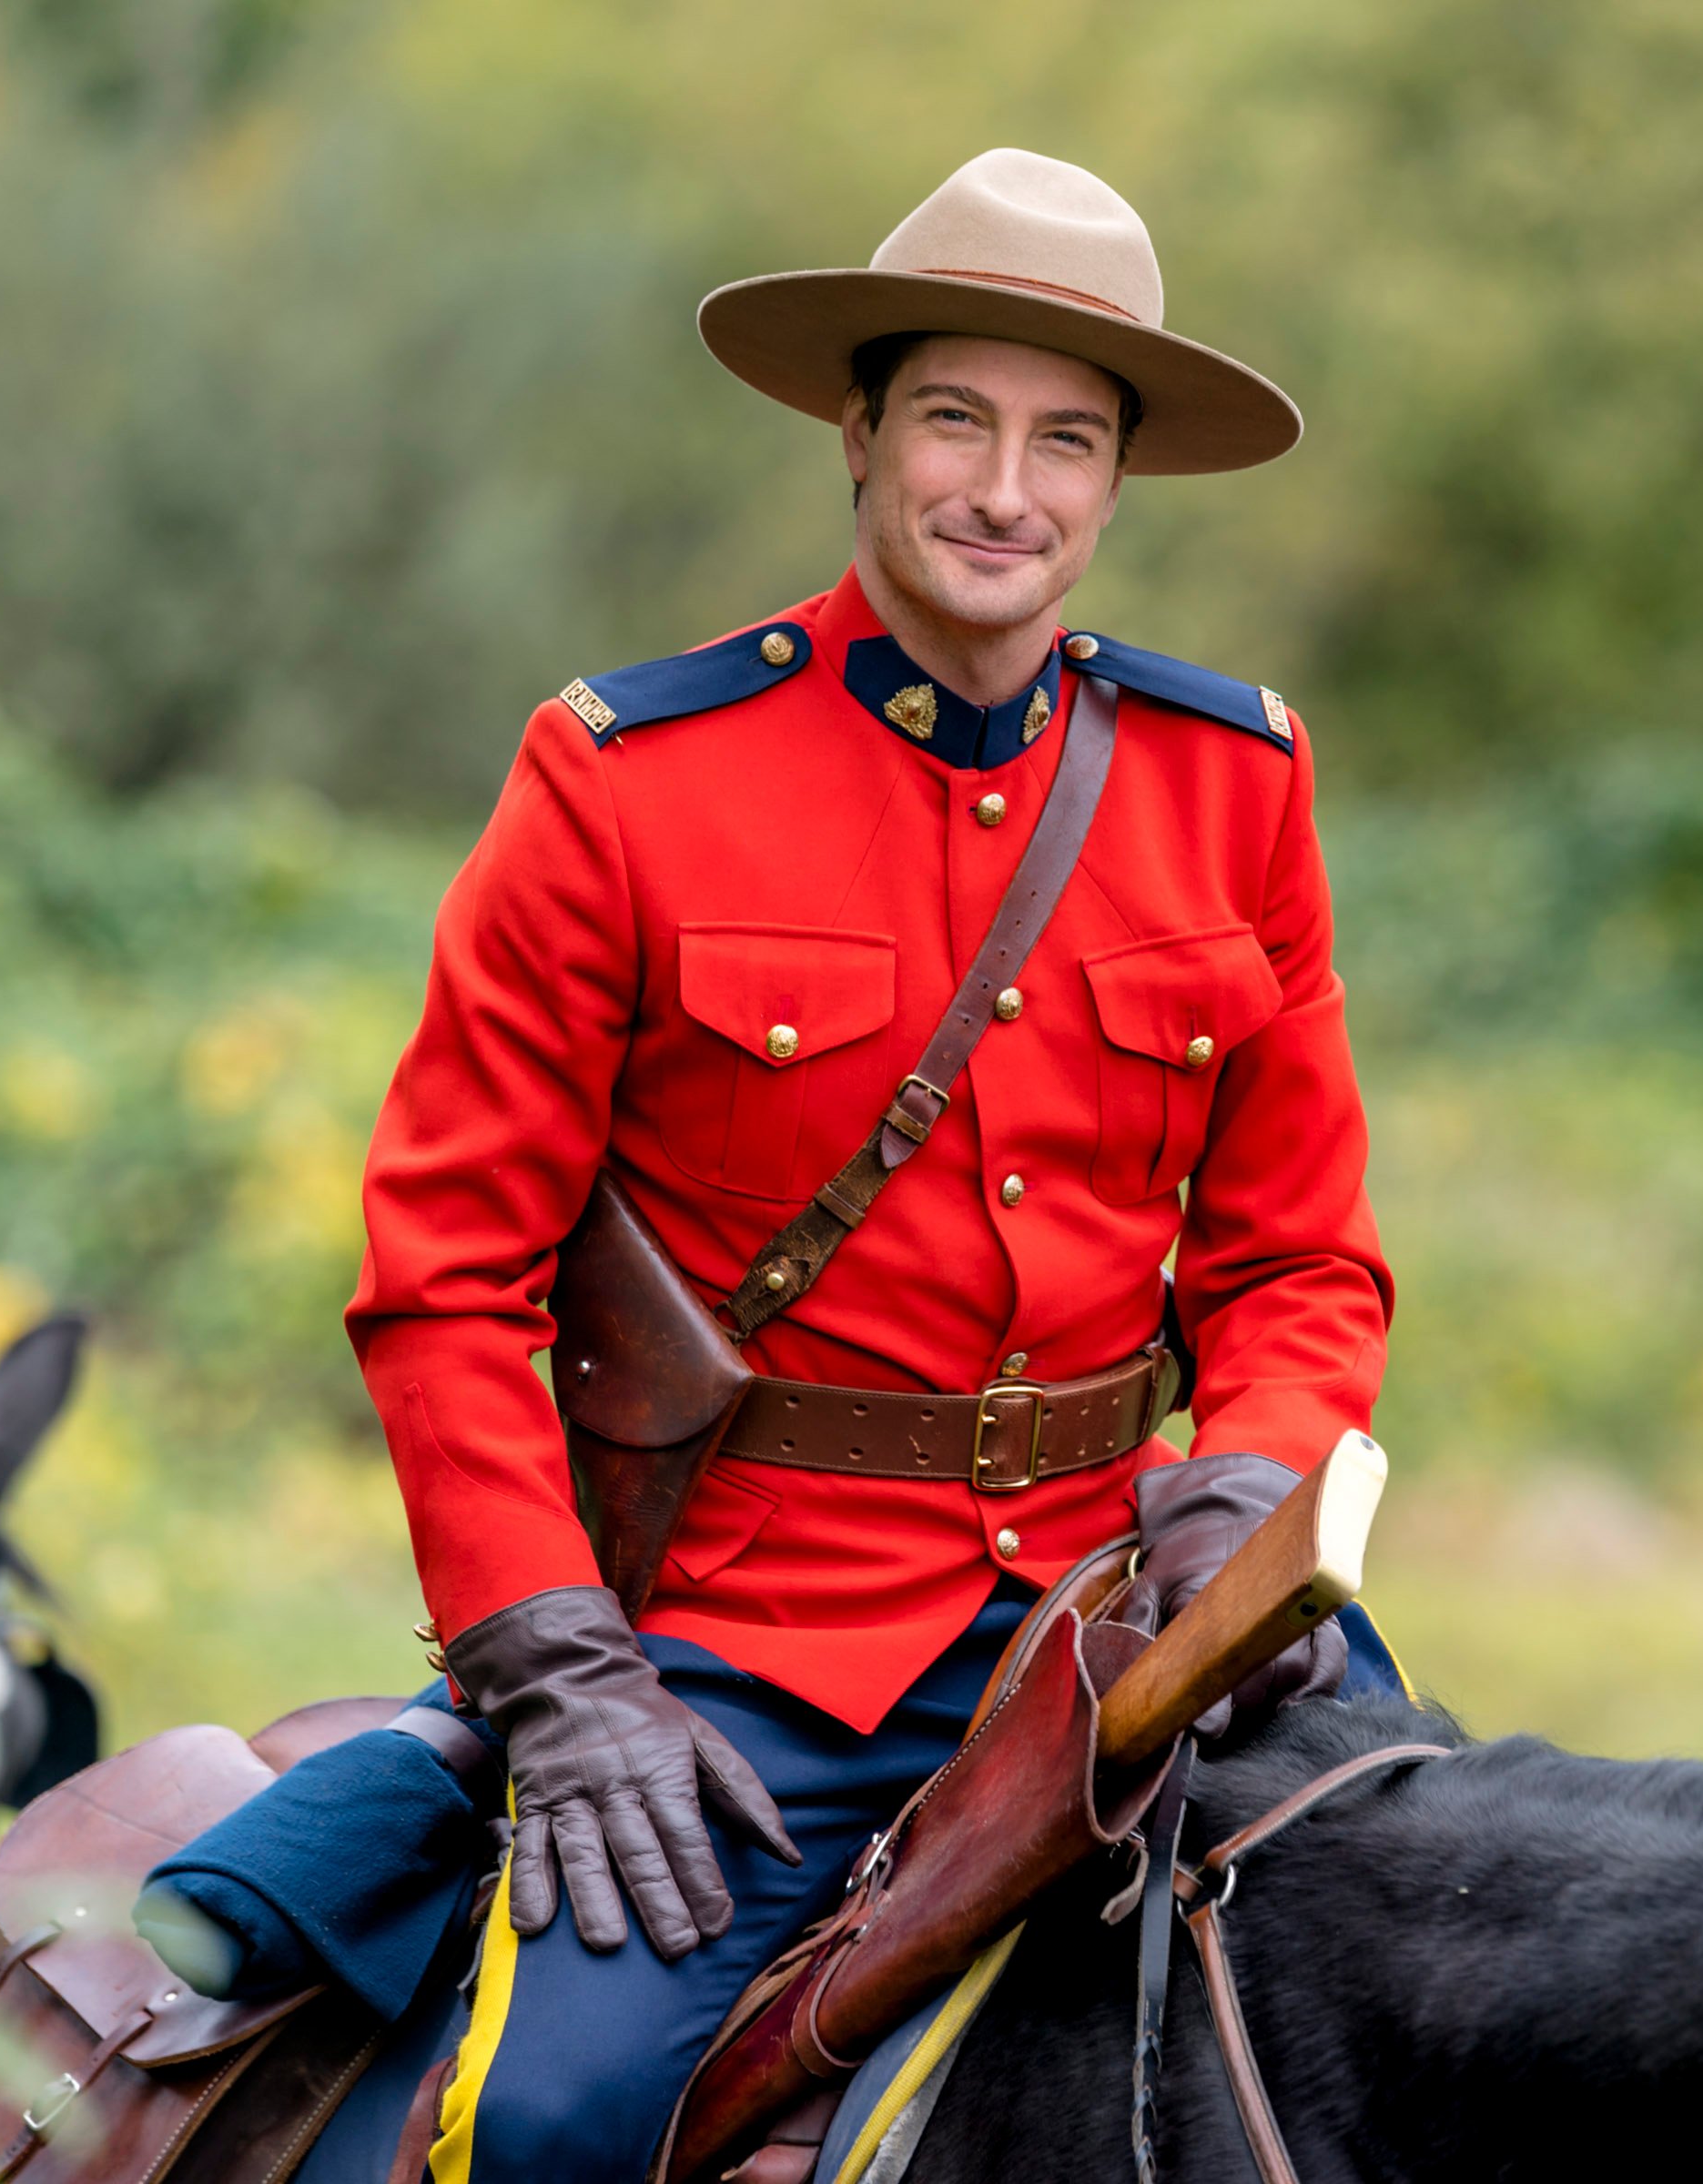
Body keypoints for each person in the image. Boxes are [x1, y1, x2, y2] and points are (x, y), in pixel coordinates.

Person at [343, 147, 1395, 2174]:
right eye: (958, 420)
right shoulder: (629, 781)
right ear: (859, 432)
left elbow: (1295, 1265)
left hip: (1133, 1629)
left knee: (1474, 1993)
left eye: (1068, 440)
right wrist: (560, 1675)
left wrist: (1250, 1486)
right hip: (755, 1664)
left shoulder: (1232, 780)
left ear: (1116, 482)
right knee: (546, 2123)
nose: (1010, 488)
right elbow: (445, 1279)